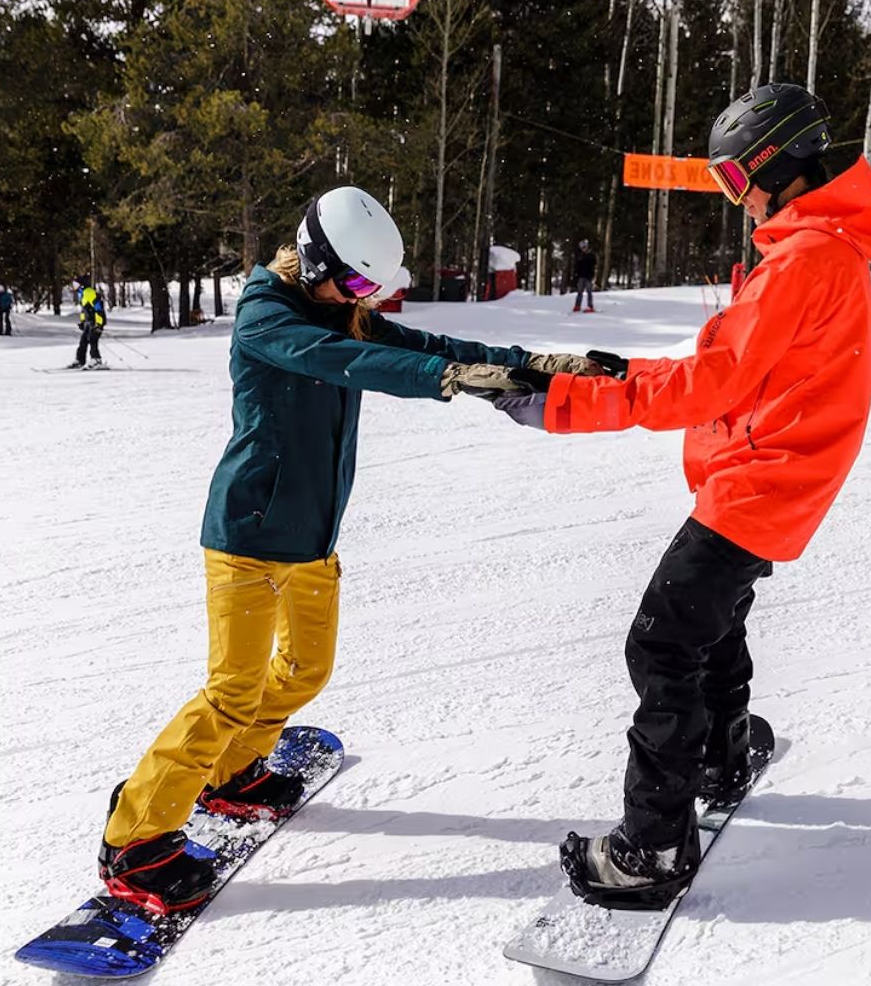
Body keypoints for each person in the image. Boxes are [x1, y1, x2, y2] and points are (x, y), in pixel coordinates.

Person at [92, 185, 605, 913]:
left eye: (374, 288)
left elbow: (429, 345)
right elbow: (339, 360)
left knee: (304, 670)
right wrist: (446, 382)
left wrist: (532, 362)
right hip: (247, 536)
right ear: (312, 258)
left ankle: (233, 773)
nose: (362, 298)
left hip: (312, 537)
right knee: (233, 690)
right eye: (357, 281)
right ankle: (135, 837)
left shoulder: (340, 311)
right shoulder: (268, 315)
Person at [485, 84, 871, 908]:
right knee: (712, 626)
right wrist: (614, 371)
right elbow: (729, 368)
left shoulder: (807, 258)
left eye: (730, 178)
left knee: (662, 647)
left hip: (764, 480)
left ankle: (650, 848)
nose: (732, 196)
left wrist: (571, 404)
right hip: (770, 472)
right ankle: (719, 753)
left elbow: (713, 382)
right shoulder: (816, 246)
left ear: (771, 166)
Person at [68, 275, 105, 369]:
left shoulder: (89, 292)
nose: (74, 286)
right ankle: (80, 360)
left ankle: (96, 360)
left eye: (76, 284)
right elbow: (84, 310)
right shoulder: (82, 293)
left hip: (95, 321)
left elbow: (98, 308)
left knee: (93, 340)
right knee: (83, 340)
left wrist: (99, 324)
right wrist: (83, 322)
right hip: (89, 322)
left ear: (82, 285)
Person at [571, 238, 597, 313]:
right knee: (579, 292)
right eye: (582, 248)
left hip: (588, 276)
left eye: (584, 247)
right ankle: (577, 305)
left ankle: (590, 305)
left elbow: (593, 264)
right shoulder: (579, 256)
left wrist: (592, 275)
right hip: (581, 276)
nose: (583, 249)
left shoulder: (591, 255)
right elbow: (576, 266)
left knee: (589, 291)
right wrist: (575, 275)